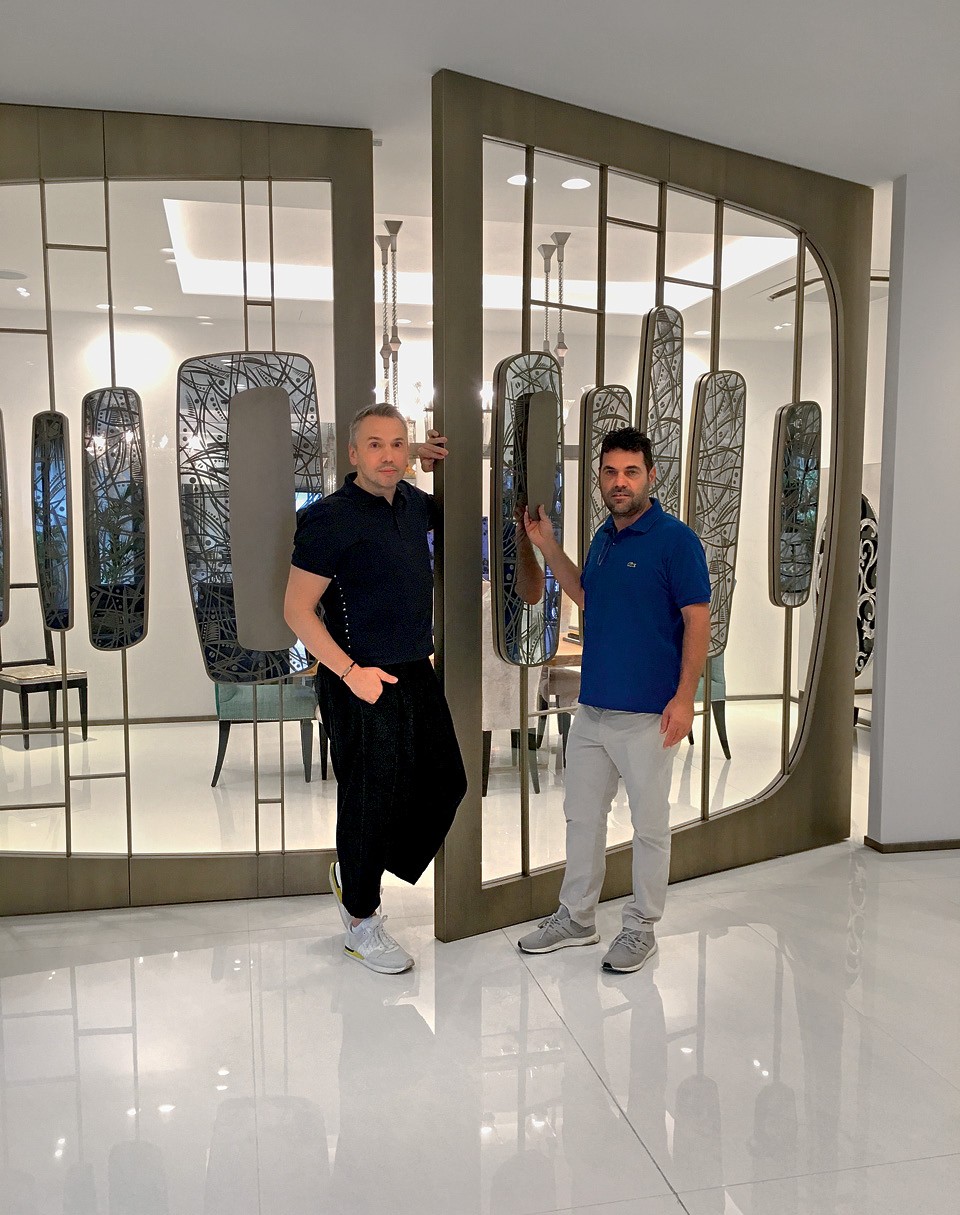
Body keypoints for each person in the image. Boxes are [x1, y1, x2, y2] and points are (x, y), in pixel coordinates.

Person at [517, 427, 711, 973]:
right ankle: (577, 917)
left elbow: (698, 622)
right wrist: (547, 545)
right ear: (600, 478)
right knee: (582, 817)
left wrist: (684, 698)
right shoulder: (604, 536)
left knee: (649, 826)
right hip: (594, 708)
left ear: (651, 476)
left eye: (630, 472)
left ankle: (642, 926)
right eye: (610, 472)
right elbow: (587, 596)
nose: (619, 482)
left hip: (649, 714)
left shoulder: (676, 541)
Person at [283, 404, 466, 975]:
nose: (388, 455)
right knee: (369, 799)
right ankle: (362, 920)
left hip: (414, 667)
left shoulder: (413, 504)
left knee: (448, 781)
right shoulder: (327, 518)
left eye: (398, 444)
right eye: (375, 444)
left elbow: (448, 504)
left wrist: (430, 463)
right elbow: (296, 610)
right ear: (353, 453)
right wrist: (349, 673)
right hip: (358, 677)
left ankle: (354, 866)